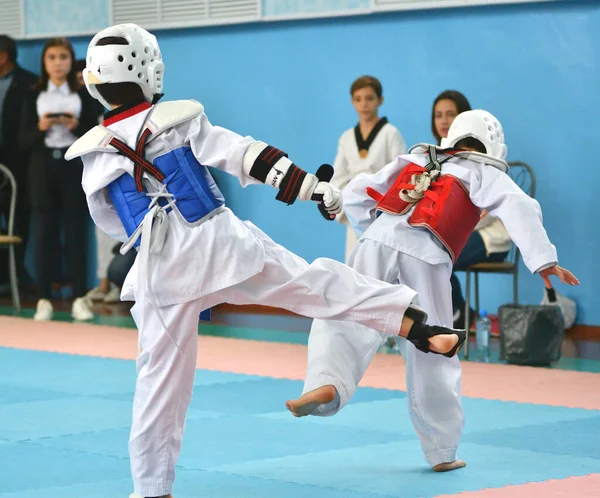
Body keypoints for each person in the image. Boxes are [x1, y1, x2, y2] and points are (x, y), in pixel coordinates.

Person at [66, 23, 465, 498]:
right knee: (316, 283)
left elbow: (111, 222)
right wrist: (314, 188)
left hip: (158, 273)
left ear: (95, 81)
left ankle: (151, 489)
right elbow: (247, 156)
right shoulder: (179, 119)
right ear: (148, 72)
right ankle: (413, 323)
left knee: (157, 386)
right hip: (220, 246)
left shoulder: (92, 152)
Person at [286, 109, 579, 473]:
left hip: (375, 241)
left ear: (451, 137)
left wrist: (348, 212)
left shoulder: (418, 157)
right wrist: (542, 260)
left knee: (346, 311)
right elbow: (519, 205)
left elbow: (364, 189)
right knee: (434, 344)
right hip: (426, 255)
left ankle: (326, 383)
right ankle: (442, 449)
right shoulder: (483, 170)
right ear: (493, 146)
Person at [19, 38, 98, 321]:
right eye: (52, 57)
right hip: (42, 167)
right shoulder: (32, 95)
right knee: (44, 234)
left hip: (73, 165)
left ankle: (79, 297)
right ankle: (43, 298)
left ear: (70, 60)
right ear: (44, 62)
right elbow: (21, 140)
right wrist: (40, 127)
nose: (57, 63)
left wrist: (75, 125)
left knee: (76, 232)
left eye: (63, 57)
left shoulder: (83, 94)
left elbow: (95, 134)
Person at [432, 90, 512, 328]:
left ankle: (457, 315)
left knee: (437, 257)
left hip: (489, 238)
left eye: (451, 115)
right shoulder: (434, 159)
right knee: (427, 254)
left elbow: (488, 211)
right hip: (452, 234)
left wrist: (450, 226)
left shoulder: (483, 153)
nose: (444, 121)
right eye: (438, 115)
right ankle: (463, 314)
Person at [331, 75, 406, 261]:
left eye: (369, 98)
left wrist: (390, 208)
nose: (364, 104)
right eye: (358, 99)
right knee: (356, 264)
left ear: (380, 100)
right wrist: (343, 203)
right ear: (352, 102)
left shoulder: (391, 134)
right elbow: (338, 176)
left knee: (382, 263)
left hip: (383, 209)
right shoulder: (346, 137)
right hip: (354, 207)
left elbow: (402, 174)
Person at [0, 35, 37, 289]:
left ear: (4, 56)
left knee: (18, 221)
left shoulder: (30, 84)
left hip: (17, 163)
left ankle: (16, 278)